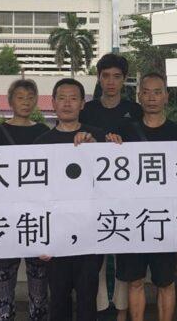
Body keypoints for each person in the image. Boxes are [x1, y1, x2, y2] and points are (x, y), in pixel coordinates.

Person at [117, 72, 177, 321]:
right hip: (133, 220)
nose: (151, 97)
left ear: (166, 96)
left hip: (165, 220)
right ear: (139, 96)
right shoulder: (123, 135)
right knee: (135, 281)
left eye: (157, 92)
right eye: (146, 92)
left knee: (166, 282)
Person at [33, 78, 106, 321]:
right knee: (59, 300)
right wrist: (42, 239)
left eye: (73, 98)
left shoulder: (97, 137)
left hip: (91, 234)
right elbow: (36, 196)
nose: (67, 103)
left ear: (82, 104)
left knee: (88, 300)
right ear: (52, 103)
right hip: (56, 236)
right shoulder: (41, 143)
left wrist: (96, 148)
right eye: (61, 98)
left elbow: (110, 185)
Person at [80, 53, 142, 321]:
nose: (111, 82)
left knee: (123, 254)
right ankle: (99, 307)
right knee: (96, 255)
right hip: (92, 193)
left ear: (124, 79)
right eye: (106, 76)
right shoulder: (87, 110)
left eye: (117, 76)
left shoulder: (135, 111)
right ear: (99, 78)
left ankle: (121, 309)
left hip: (126, 194)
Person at [0, 79, 50, 321]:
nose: (25, 102)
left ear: (36, 101)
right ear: (10, 100)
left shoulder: (44, 133)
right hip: (4, 217)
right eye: (20, 97)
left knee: (39, 282)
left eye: (30, 97)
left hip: (37, 216)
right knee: (3, 279)